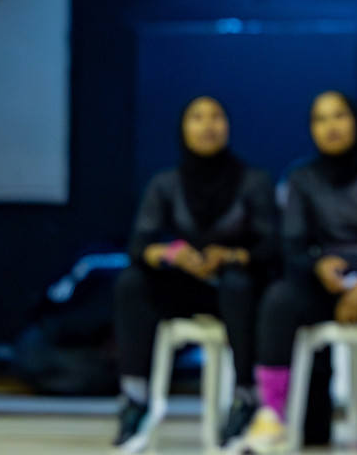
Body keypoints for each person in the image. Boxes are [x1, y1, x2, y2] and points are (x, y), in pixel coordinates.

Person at [245, 91, 357, 453]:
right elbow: (292, 247)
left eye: (339, 116)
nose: (330, 127)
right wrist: (318, 265)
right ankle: (272, 413)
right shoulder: (302, 177)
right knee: (279, 297)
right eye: (320, 119)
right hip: (329, 285)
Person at [112, 97, 276, 452]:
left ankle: (246, 396)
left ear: (228, 127)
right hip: (188, 285)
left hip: (239, 288)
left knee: (238, 283)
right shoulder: (166, 183)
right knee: (132, 281)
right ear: (183, 128)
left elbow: (271, 247)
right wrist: (174, 255)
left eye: (216, 116)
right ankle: (136, 398)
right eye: (196, 118)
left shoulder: (253, 180)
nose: (207, 126)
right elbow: (140, 244)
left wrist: (230, 255)